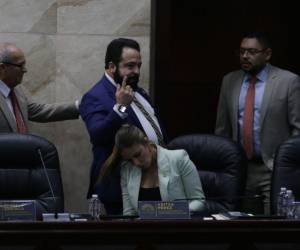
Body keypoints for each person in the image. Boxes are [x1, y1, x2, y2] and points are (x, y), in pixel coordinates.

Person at [215, 32, 300, 214]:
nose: (245, 56)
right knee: (244, 224)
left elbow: (297, 129)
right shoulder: (229, 81)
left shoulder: (288, 81)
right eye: (242, 51)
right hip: (240, 169)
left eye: (252, 51)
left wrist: (287, 165)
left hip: (274, 168)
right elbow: (222, 130)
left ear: (267, 54)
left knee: (275, 225)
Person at [79, 38, 167, 214]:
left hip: (155, 181)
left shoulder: (139, 92)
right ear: (112, 66)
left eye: (139, 66)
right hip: (121, 188)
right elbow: (98, 136)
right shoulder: (95, 96)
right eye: (130, 66)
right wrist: (120, 107)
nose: (137, 71)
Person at [97, 124, 205, 216]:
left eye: (137, 155)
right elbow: (129, 214)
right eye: (130, 160)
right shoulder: (127, 170)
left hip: (176, 231)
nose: (136, 163)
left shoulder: (178, 159)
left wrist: (167, 213)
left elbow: (199, 202)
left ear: (146, 142)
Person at [0, 42, 79, 133]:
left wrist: (79, 106)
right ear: (3, 68)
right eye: (20, 65)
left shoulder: (15, 90)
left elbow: (38, 111)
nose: (25, 70)